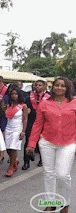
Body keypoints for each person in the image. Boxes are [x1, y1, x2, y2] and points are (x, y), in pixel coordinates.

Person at [26, 77, 76, 213]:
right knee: (49, 174)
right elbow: (37, 124)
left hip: (69, 143)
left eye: (63, 86)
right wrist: (31, 143)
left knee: (62, 174)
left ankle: (65, 204)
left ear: (68, 88)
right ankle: (51, 202)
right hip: (47, 142)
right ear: (52, 87)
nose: (59, 88)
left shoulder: (74, 103)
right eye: (57, 85)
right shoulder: (44, 104)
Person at [22, 80, 50, 170]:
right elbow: (24, 106)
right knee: (28, 141)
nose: (37, 87)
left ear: (44, 87)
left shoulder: (49, 97)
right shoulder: (29, 96)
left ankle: (42, 160)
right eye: (36, 85)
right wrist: (26, 110)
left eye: (40, 85)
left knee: (42, 142)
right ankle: (26, 162)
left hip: (44, 122)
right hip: (31, 120)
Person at [4, 88, 28, 177]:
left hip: (17, 128)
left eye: (16, 94)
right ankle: (14, 160)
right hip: (8, 128)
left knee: (13, 147)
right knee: (7, 148)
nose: (14, 96)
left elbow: (25, 120)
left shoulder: (23, 106)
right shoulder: (9, 105)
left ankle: (11, 167)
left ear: (19, 95)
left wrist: (23, 132)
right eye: (12, 94)